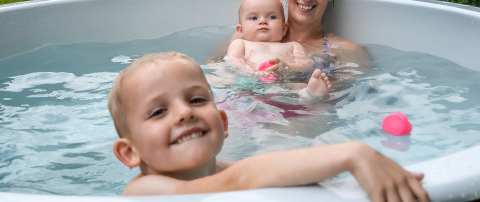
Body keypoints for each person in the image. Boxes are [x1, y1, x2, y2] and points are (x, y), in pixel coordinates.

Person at [108, 52, 429, 201]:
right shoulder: (144, 191)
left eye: (195, 100)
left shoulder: (218, 169)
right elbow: (245, 176)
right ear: (129, 152)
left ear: (223, 123)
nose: (183, 114)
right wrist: (354, 154)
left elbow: (270, 173)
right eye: (159, 111)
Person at [226, 0, 331, 101]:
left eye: (271, 17)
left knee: (298, 86)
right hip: (250, 84)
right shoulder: (241, 44)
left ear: (284, 28)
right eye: (254, 18)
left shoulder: (292, 46)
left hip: (283, 84)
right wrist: (251, 72)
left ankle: (310, 94)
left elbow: (307, 63)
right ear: (240, 30)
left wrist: (287, 66)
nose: (263, 21)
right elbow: (234, 60)